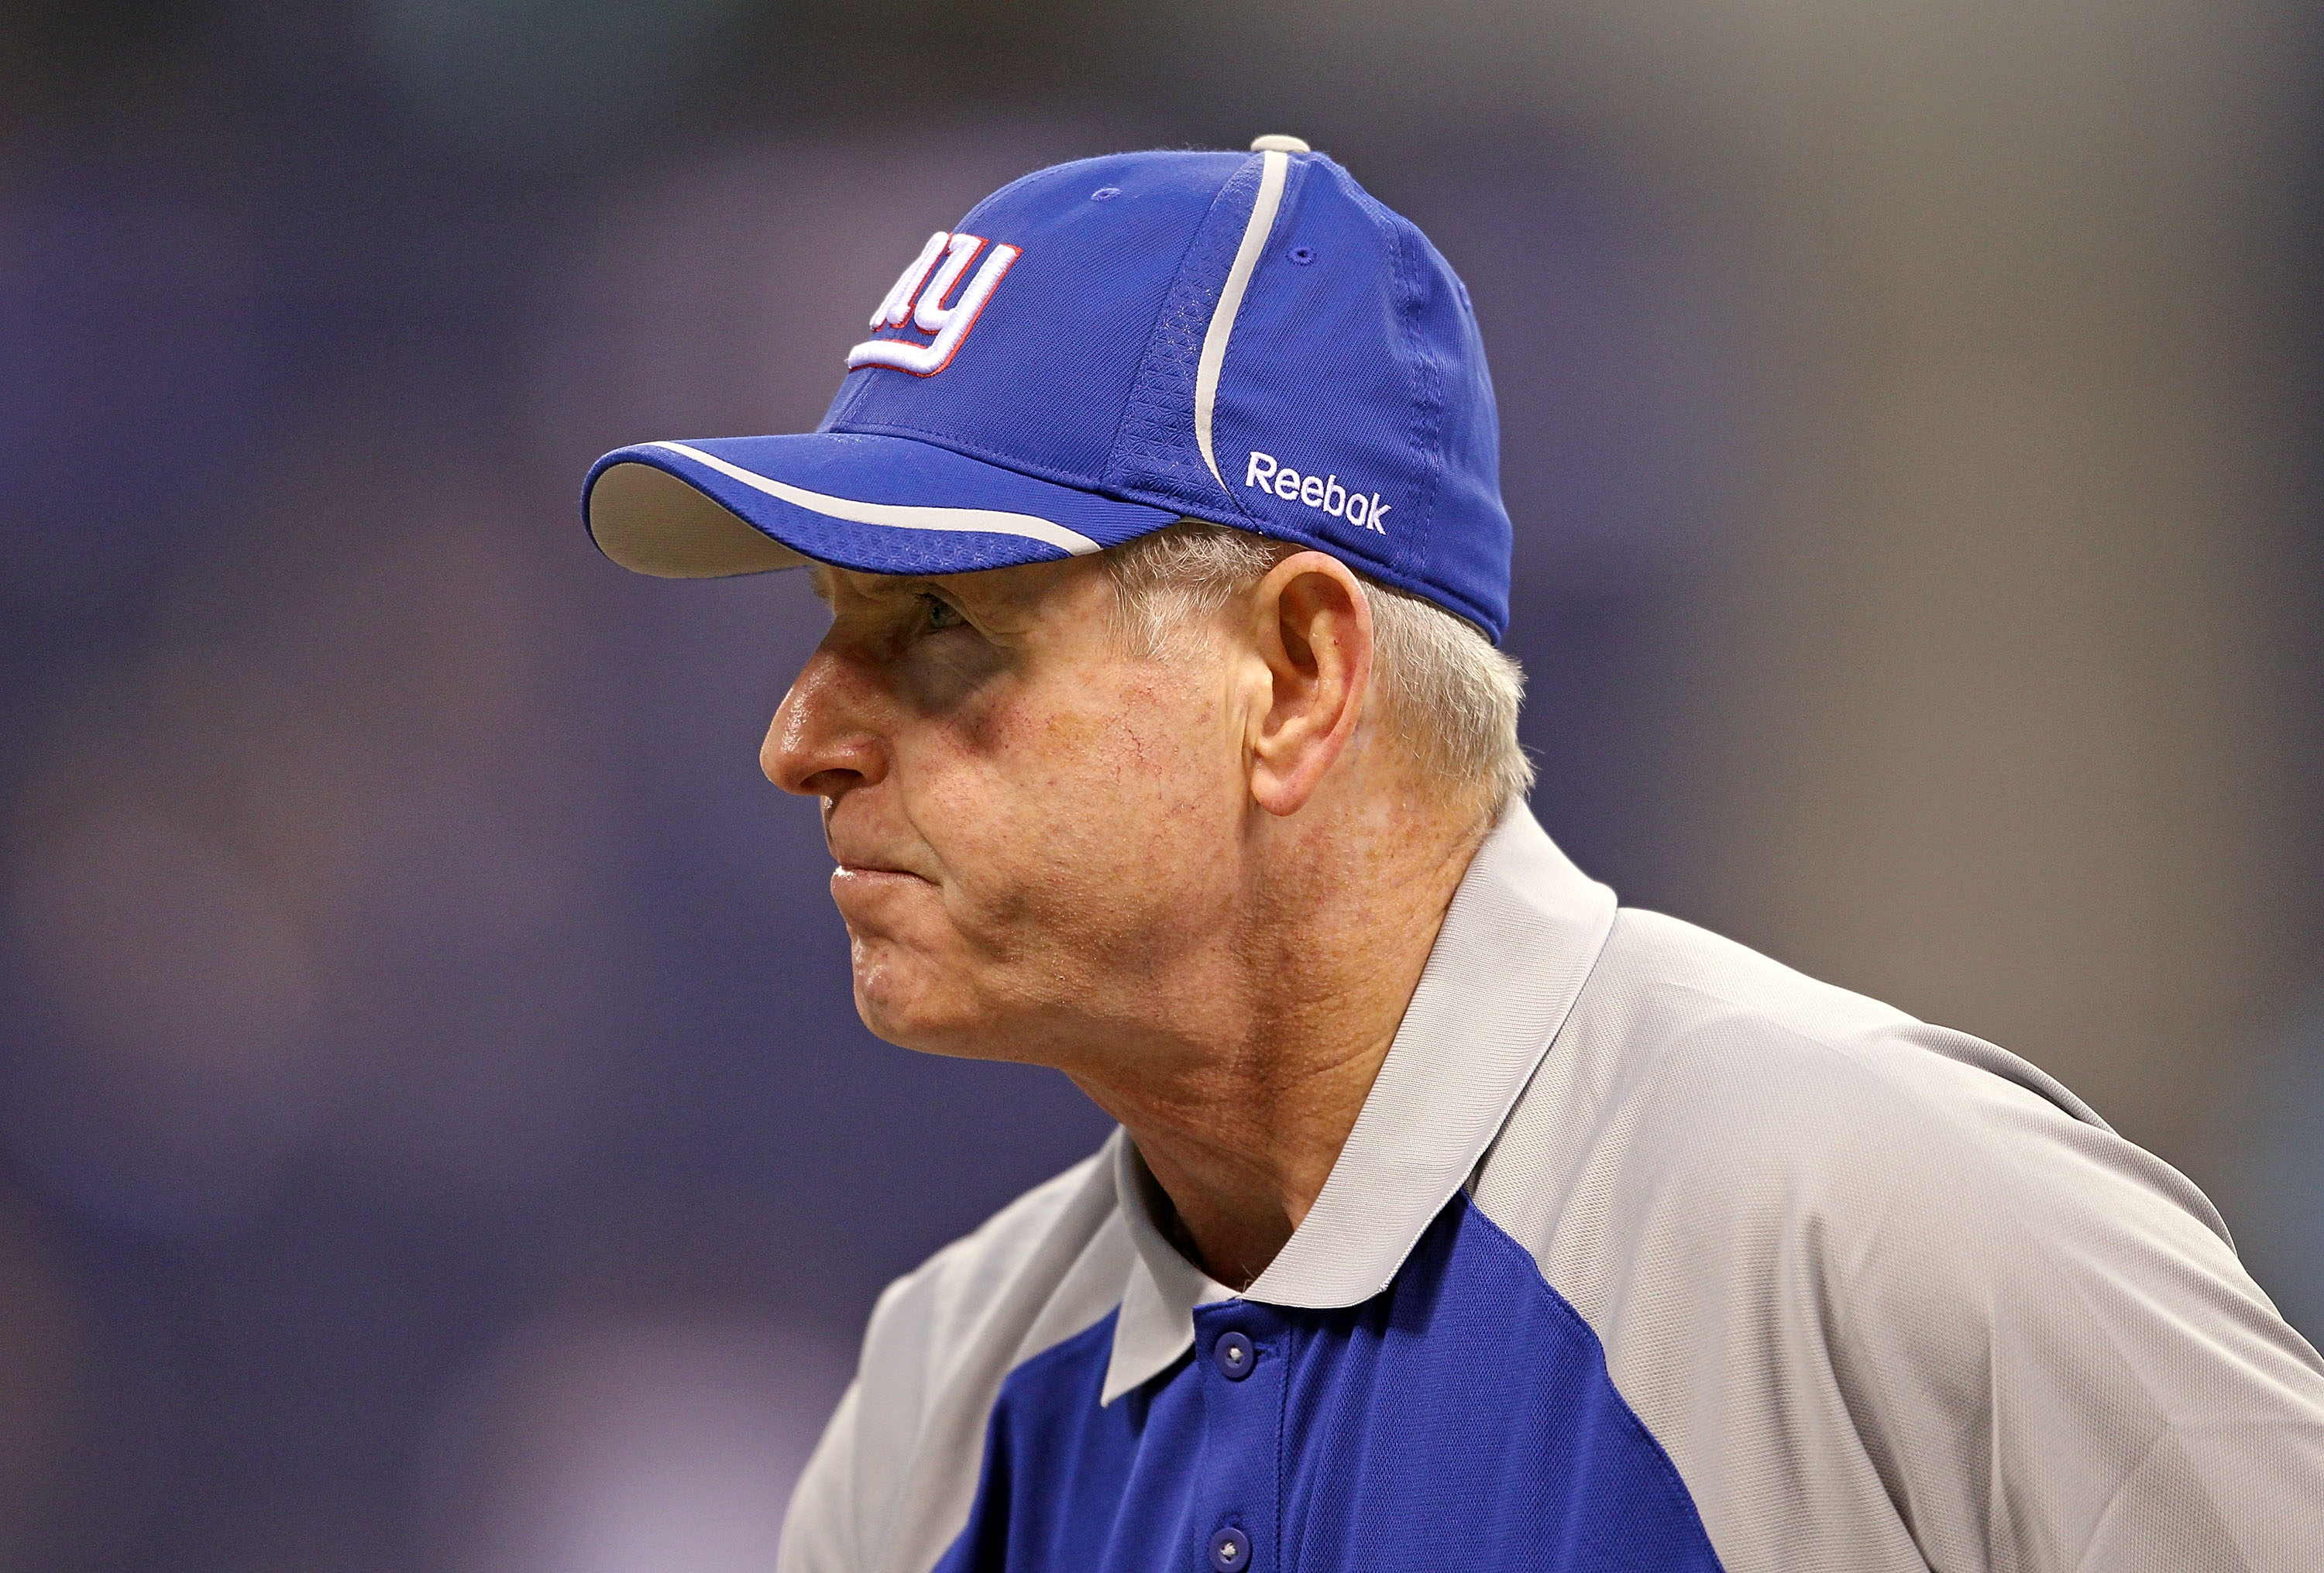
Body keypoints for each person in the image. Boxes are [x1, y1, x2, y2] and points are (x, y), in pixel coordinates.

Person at [581, 138, 2324, 1573]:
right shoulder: (944, 1400)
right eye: (827, 621)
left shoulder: (1876, 1225)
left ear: (1296, 675)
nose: (799, 736)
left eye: (942, 617)